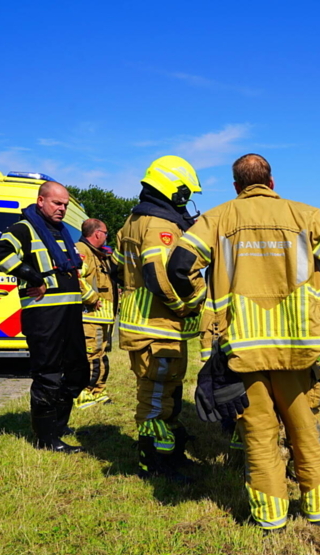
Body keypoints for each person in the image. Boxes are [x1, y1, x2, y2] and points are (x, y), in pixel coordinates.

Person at [165, 153, 320, 530]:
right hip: (296, 347)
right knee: (303, 428)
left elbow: (178, 265)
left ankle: (270, 517)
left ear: (237, 187)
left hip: (241, 347)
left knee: (258, 433)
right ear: (271, 183)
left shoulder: (217, 218)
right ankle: (319, 510)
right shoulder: (304, 214)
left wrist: (199, 295)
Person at [114, 156, 203, 481]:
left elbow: (124, 267)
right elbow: (158, 274)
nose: (186, 201)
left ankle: (171, 454)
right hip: (158, 325)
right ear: (173, 189)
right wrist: (186, 304)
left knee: (167, 392)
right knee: (156, 398)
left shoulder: (132, 220)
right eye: (185, 193)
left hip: (146, 322)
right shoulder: (160, 226)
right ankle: (154, 463)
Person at [0, 181, 89, 453]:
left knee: (79, 372)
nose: (62, 209)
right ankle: (47, 439)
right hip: (43, 316)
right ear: (41, 201)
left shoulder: (60, 232)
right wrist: (32, 277)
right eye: (57, 203)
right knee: (49, 376)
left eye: (65, 204)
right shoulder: (24, 228)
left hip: (69, 314)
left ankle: (57, 425)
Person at [74, 218, 118, 408]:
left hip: (103, 318)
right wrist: (92, 298)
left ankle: (99, 390)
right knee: (90, 355)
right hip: (89, 316)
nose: (107, 237)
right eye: (106, 233)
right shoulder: (81, 251)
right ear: (97, 233)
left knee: (101, 355)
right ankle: (84, 393)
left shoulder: (100, 254)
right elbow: (75, 277)